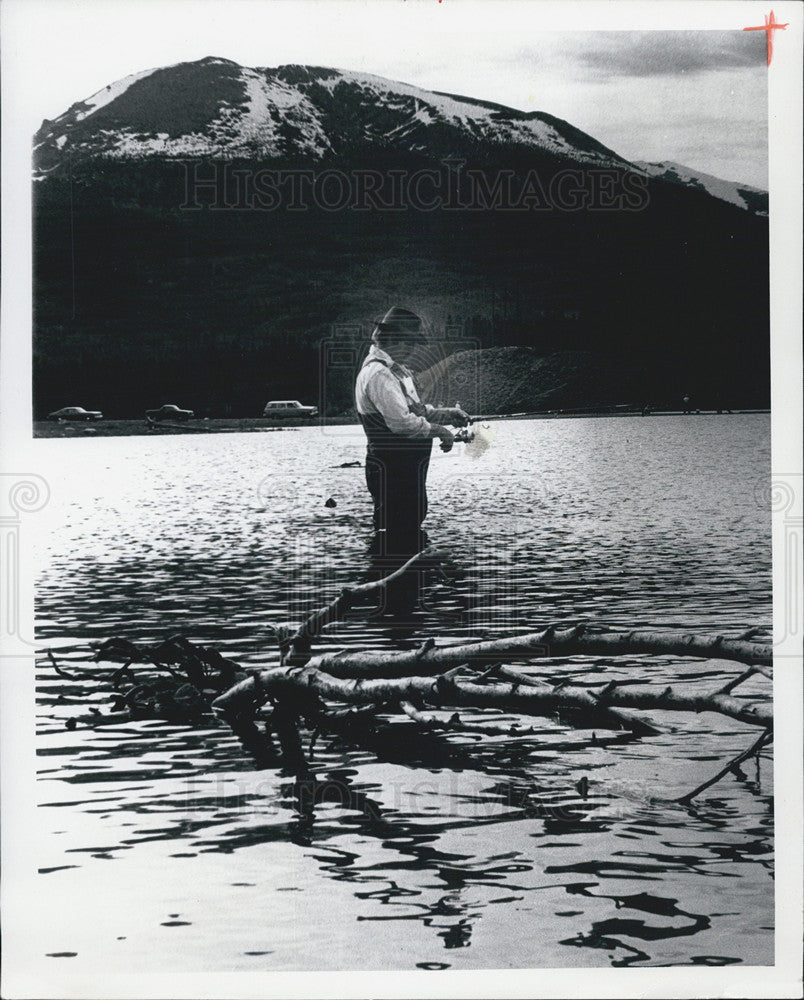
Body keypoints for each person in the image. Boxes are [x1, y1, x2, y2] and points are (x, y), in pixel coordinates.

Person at [355, 306, 469, 561]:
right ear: (393, 340)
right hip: (392, 470)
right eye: (410, 343)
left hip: (403, 470)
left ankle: (406, 589)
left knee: (408, 524)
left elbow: (414, 410)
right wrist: (441, 431)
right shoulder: (379, 374)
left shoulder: (393, 371)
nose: (413, 349)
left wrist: (447, 413)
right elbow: (402, 423)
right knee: (396, 532)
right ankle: (396, 587)